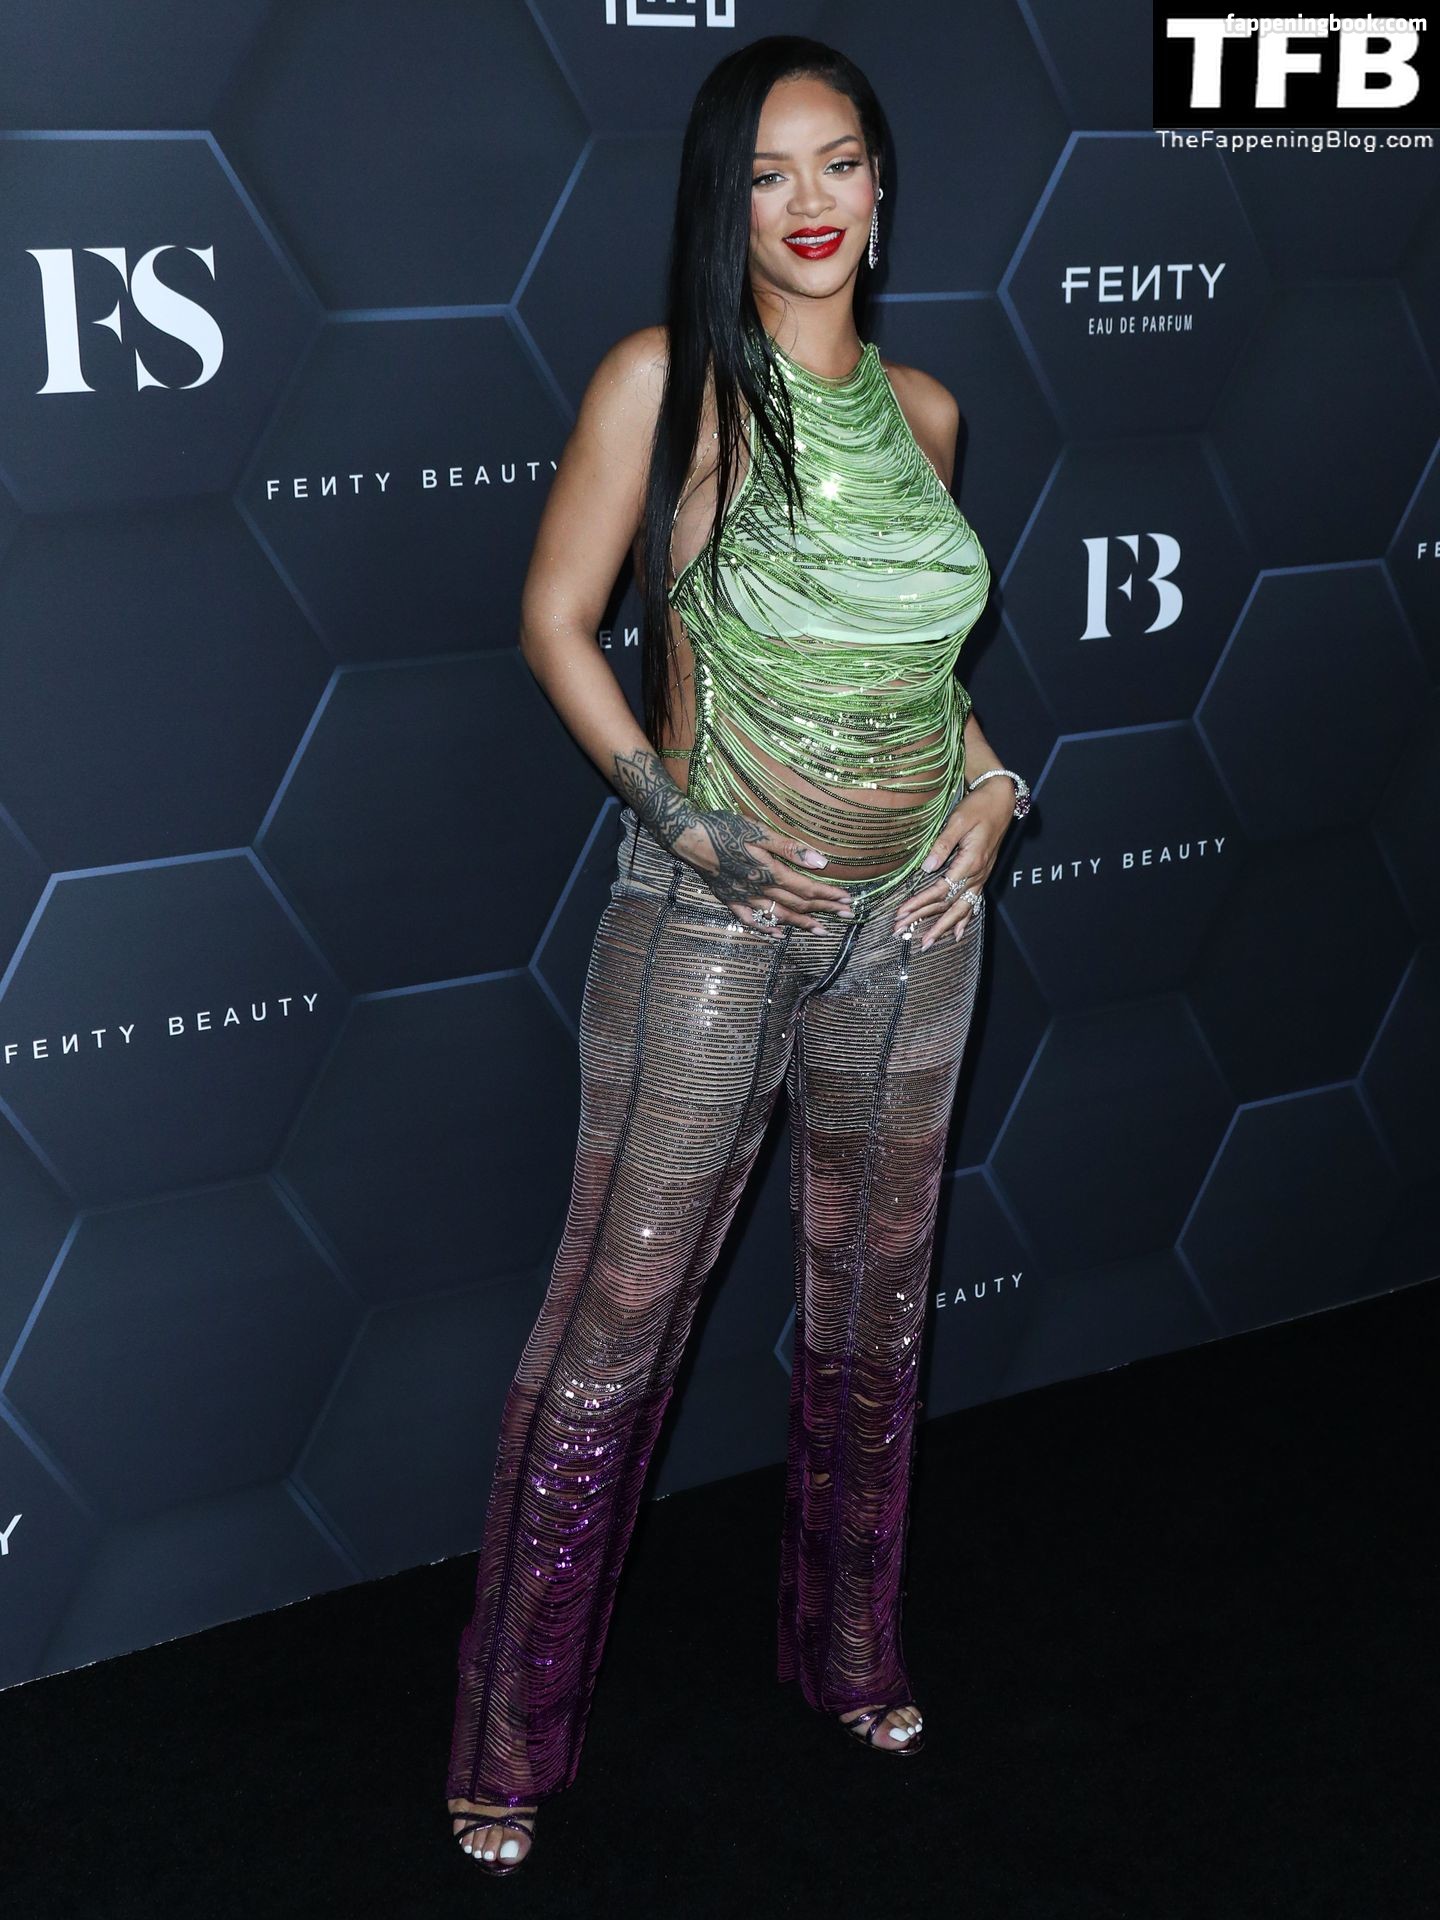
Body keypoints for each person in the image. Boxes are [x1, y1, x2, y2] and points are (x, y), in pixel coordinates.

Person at [445, 33, 1029, 1875]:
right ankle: (505, 1741)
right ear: (726, 201)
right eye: (769, 173)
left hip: (916, 927)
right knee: (615, 1319)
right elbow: (556, 622)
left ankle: (850, 1654)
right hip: (710, 918)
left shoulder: (929, 412)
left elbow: (918, 665)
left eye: (838, 163)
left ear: (882, 188)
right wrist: (684, 823)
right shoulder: (667, 384)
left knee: (873, 1311)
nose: (808, 204)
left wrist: (994, 783)